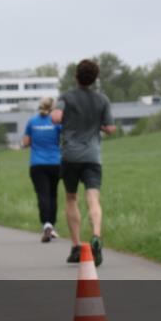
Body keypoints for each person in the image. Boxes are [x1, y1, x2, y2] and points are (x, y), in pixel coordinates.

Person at [51, 59, 116, 266]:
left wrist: (59, 114)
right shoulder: (102, 99)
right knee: (93, 199)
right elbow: (110, 128)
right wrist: (98, 125)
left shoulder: (66, 97)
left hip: (70, 155)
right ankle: (96, 235)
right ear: (95, 78)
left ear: (76, 76)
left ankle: (76, 246)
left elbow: (56, 118)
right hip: (92, 156)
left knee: (71, 198)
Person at [23, 97, 62, 242]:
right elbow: (62, 139)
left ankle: (46, 225)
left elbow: (26, 142)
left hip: (37, 164)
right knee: (53, 194)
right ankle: (52, 225)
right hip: (55, 162)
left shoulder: (32, 122)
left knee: (42, 194)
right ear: (53, 107)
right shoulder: (56, 123)